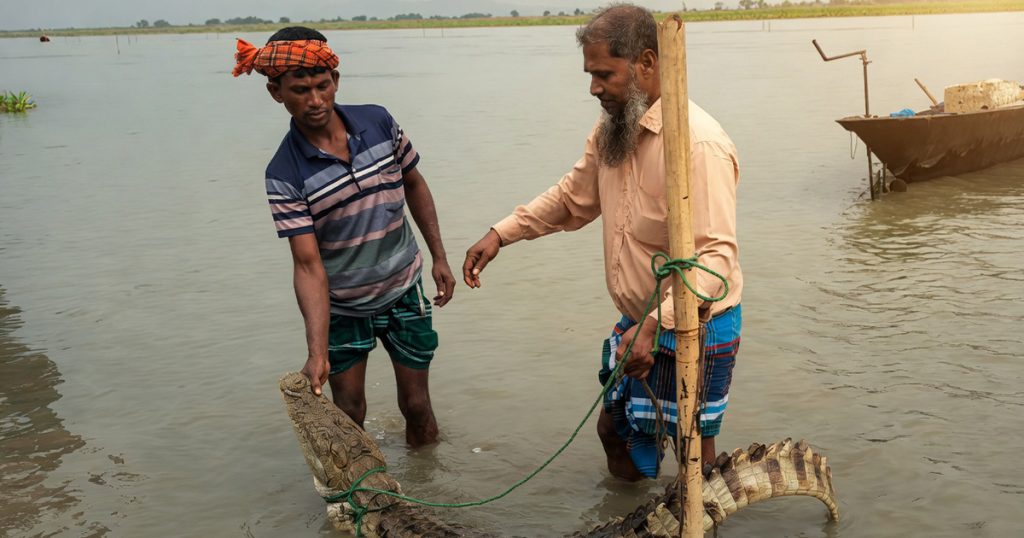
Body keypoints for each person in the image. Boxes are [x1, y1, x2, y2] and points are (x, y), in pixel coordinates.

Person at [462, 4, 743, 480]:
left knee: (694, 455)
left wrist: (657, 323)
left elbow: (715, 258)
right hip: (640, 320)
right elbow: (572, 198)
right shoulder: (613, 128)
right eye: (590, 75)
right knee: (615, 429)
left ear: (647, 63)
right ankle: (633, 518)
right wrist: (501, 233)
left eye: (604, 75)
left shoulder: (698, 144)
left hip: (695, 320)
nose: (594, 88)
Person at [235, 27, 455, 447]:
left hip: (404, 288)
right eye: (300, 90)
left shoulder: (379, 122)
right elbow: (308, 264)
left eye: (323, 85)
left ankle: (430, 483)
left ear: (336, 80)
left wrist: (439, 258)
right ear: (275, 92)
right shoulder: (284, 173)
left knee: (417, 406)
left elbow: (415, 185)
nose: (315, 100)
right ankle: (363, 500)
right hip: (343, 307)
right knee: (348, 414)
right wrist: (316, 352)